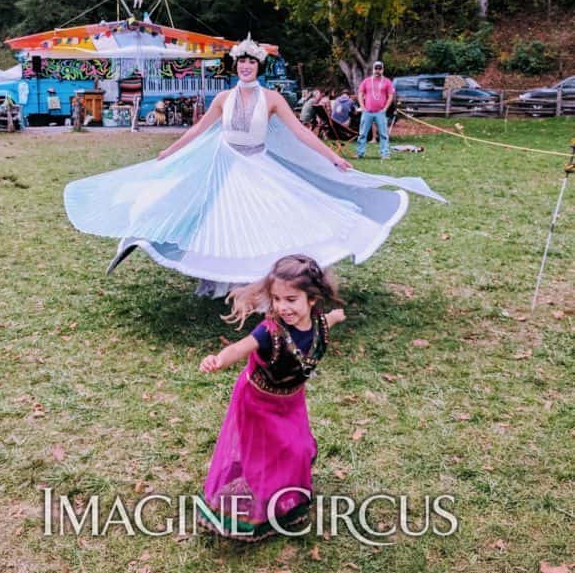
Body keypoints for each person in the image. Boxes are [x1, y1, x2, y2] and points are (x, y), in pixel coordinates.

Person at [64, 35, 443, 297]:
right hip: (225, 167)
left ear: (258, 66)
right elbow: (200, 129)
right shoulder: (224, 98)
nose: (245, 67)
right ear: (235, 65)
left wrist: (333, 156)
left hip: (260, 165)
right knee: (220, 224)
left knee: (268, 222)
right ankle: (220, 281)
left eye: (251, 62)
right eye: (241, 62)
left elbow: (298, 133)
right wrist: (170, 152)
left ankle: (263, 284)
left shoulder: (274, 98)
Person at [197, 255, 346, 540]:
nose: (282, 307)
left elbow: (325, 322)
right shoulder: (269, 331)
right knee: (263, 457)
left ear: (312, 299)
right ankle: (259, 511)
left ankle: (288, 498)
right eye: (277, 299)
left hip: (291, 402)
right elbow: (241, 348)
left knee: (298, 448)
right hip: (257, 403)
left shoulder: (317, 324)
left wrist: (337, 316)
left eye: (291, 299)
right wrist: (217, 360)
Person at [356, 61, 394, 160]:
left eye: (379, 68)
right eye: (376, 68)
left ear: (382, 69)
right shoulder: (366, 81)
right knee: (362, 134)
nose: (377, 70)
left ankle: (385, 153)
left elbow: (390, 96)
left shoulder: (387, 82)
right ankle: (360, 153)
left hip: (380, 112)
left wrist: (385, 108)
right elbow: (360, 93)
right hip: (367, 111)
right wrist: (362, 106)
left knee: (383, 134)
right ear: (373, 69)